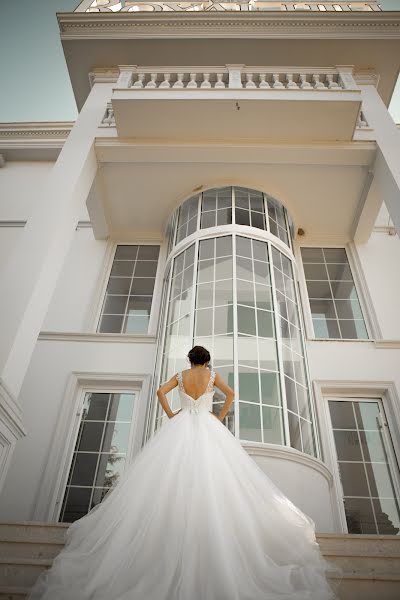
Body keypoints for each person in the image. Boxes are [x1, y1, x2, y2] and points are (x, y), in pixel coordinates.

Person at [28, 345, 342, 600]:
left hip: (179, 427)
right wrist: (218, 416)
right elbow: (232, 395)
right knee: (216, 482)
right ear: (207, 362)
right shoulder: (212, 375)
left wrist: (170, 413)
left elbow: (159, 393)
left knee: (166, 482)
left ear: (190, 360)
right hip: (207, 426)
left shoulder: (180, 376)